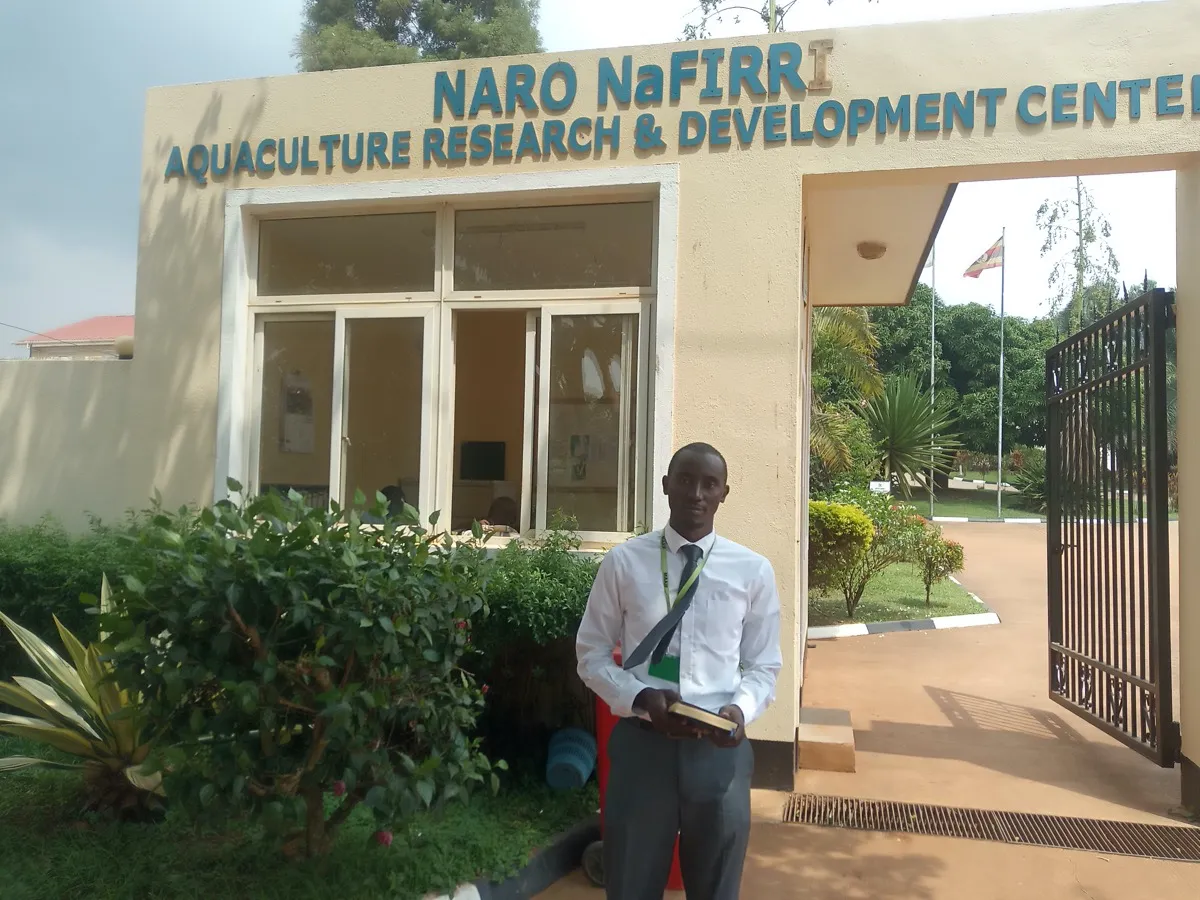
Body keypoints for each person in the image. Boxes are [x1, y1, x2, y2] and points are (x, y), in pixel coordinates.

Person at [576, 442, 782, 900]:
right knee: (630, 882)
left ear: (725, 493)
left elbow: (764, 665)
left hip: (719, 753)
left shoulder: (752, 571)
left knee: (716, 887)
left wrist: (740, 710)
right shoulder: (624, 563)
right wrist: (637, 697)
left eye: (710, 484)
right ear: (666, 485)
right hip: (642, 748)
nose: (696, 494)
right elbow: (590, 653)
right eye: (686, 480)